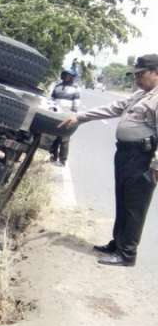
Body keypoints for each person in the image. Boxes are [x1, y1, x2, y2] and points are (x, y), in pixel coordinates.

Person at [58, 53, 158, 267]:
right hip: (126, 154)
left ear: (155, 73)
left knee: (134, 206)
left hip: (143, 158)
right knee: (122, 200)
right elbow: (112, 108)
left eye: (141, 74)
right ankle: (117, 243)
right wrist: (80, 117)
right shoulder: (141, 95)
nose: (136, 78)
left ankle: (127, 254)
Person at [49, 69, 80, 166]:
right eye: (66, 75)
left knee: (64, 139)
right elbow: (52, 100)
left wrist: (73, 115)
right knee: (54, 136)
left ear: (72, 78)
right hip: (56, 114)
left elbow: (76, 104)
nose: (67, 77)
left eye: (70, 76)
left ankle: (63, 160)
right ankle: (53, 156)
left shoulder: (75, 89)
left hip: (67, 116)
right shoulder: (57, 87)